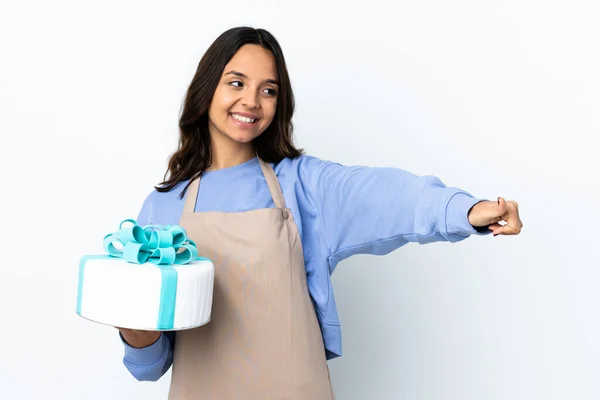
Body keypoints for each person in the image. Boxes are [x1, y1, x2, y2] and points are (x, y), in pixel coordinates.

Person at [116, 27, 523, 399]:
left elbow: (387, 195)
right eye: (236, 83)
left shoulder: (303, 186)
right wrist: (133, 327)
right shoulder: (163, 207)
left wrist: (467, 210)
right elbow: (149, 367)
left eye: (269, 90)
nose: (251, 102)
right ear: (207, 90)